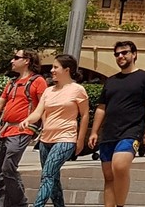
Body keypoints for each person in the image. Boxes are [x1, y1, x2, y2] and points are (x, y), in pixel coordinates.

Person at [0, 47, 48, 207]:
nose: (12, 61)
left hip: (22, 130)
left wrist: (45, 129)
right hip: (5, 130)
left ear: (26, 61)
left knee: (8, 167)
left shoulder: (38, 81)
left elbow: (43, 106)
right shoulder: (12, 83)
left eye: (16, 57)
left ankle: (20, 203)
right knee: (0, 173)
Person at [87, 41, 145, 207]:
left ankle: (120, 205)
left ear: (134, 54)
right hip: (109, 133)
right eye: (117, 54)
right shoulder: (111, 81)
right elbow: (101, 108)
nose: (120, 56)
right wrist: (94, 131)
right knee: (108, 176)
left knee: (119, 166)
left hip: (131, 130)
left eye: (124, 52)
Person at [24, 54, 90, 207]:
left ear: (67, 70)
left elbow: (85, 115)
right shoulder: (48, 91)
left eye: (55, 67)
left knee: (47, 175)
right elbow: (38, 112)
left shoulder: (78, 90)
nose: (52, 70)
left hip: (66, 139)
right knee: (53, 178)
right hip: (45, 140)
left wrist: (80, 140)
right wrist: (27, 120)